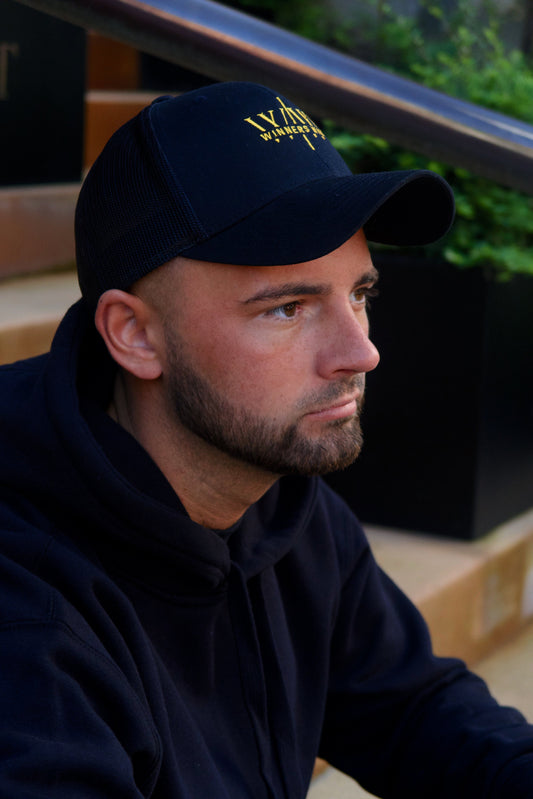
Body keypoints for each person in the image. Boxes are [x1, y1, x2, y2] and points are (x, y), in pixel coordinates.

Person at [0, 81, 531, 799]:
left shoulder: (276, 497)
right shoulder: (29, 610)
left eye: (358, 294)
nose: (360, 352)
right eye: (286, 308)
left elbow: (412, 708)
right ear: (135, 335)